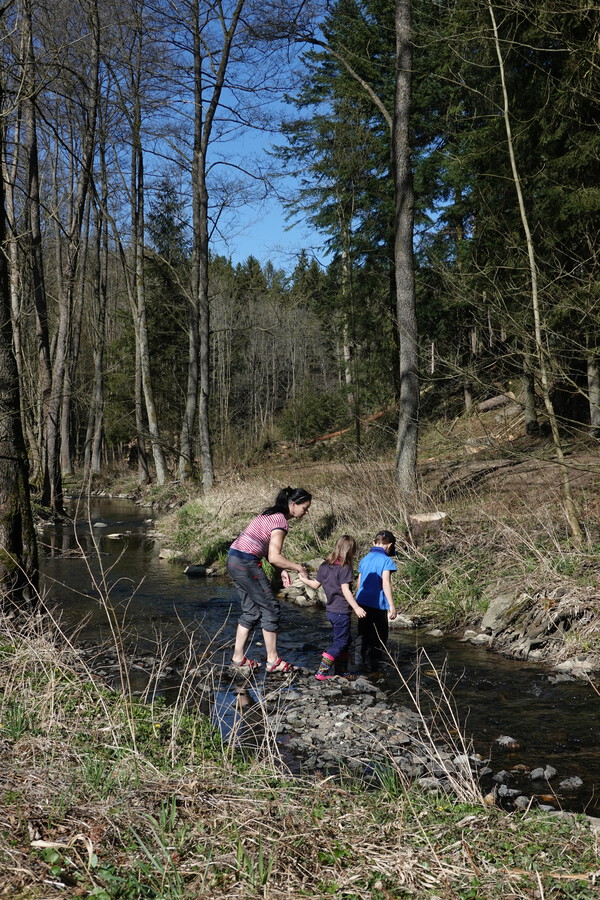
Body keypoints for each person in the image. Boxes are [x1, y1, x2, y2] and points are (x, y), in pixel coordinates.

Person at [226, 486, 312, 674]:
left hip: (233, 559)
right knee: (271, 608)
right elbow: (273, 556)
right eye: (304, 508)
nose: (305, 513)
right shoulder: (281, 521)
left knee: (251, 611)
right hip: (246, 563)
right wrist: (298, 567)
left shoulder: (269, 514)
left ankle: (238, 658)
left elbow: (263, 546)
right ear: (293, 504)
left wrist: (281, 569)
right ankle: (273, 661)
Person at [298, 535, 366, 681]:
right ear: (350, 551)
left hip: (331, 611)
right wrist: (356, 607)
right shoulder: (345, 568)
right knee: (340, 642)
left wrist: (303, 579)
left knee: (345, 640)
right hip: (341, 610)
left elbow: (315, 585)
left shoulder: (324, 565)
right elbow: (346, 590)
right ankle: (321, 672)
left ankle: (342, 671)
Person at [354, 530, 397, 675]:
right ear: (390, 545)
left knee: (362, 633)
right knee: (380, 636)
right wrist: (391, 605)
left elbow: (359, 582)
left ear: (374, 543)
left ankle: (359, 663)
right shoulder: (387, 560)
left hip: (362, 602)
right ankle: (375, 666)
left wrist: (356, 601)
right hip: (378, 605)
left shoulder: (365, 558)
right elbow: (385, 582)